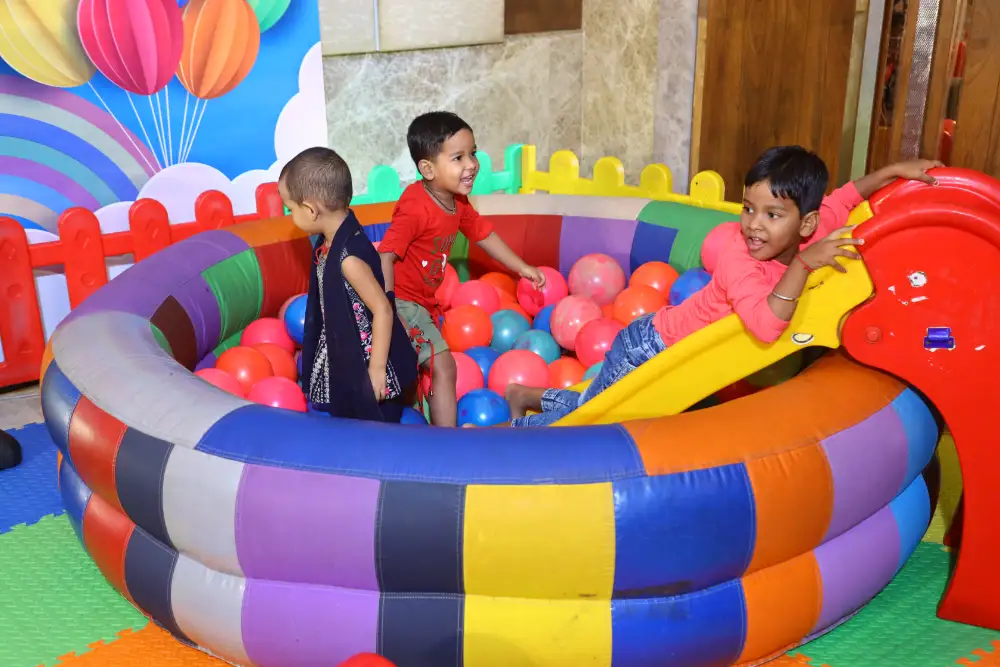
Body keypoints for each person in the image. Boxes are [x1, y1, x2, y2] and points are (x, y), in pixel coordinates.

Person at [506, 146, 943, 427]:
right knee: (592, 419)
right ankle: (513, 437)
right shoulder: (740, 260)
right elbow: (766, 326)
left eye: (772, 215)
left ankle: (523, 394)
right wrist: (804, 265)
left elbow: (846, 196)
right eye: (748, 208)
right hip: (650, 349)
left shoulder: (817, 225)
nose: (754, 224)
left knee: (592, 399)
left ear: (807, 223)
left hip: (668, 351)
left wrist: (895, 170)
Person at [378, 111, 546, 427]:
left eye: (473, 153)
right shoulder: (415, 206)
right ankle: (448, 440)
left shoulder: (458, 203)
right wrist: (386, 309)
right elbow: (386, 254)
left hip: (424, 303)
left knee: (421, 369)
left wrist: (521, 267)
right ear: (427, 169)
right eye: (458, 158)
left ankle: (423, 423)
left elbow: (483, 234)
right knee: (444, 365)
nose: (471, 164)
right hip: (402, 300)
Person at [279, 147, 418, 423]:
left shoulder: (348, 260)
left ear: (310, 210)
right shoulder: (332, 241)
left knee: (376, 419)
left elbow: (382, 310)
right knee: (346, 414)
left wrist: (377, 369)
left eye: (290, 208)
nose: (290, 215)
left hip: (366, 354)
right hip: (342, 340)